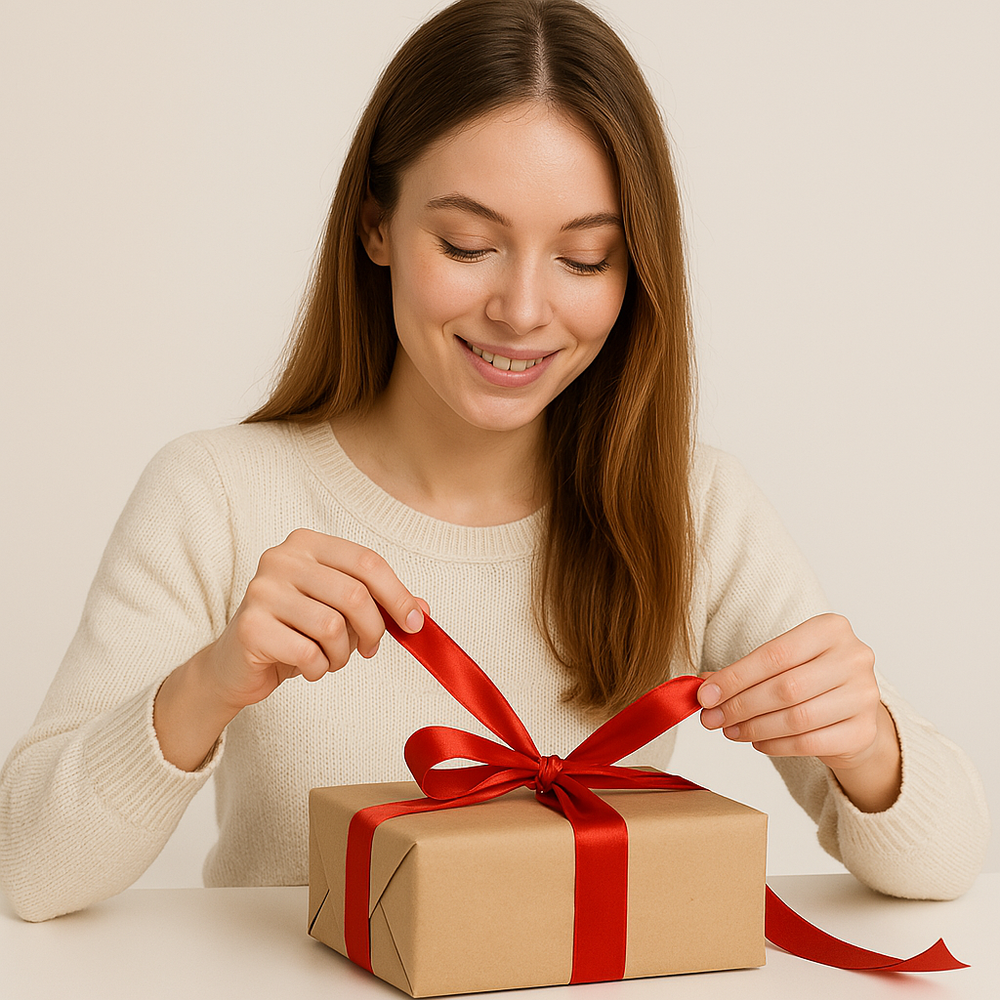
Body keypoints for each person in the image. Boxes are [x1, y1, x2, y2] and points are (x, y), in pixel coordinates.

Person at [0, 0, 988, 923]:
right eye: (469, 243)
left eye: (585, 258)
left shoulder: (693, 505)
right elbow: (29, 872)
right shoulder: (216, 494)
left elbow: (947, 862)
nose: (522, 309)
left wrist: (865, 741)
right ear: (376, 225)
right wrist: (211, 680)